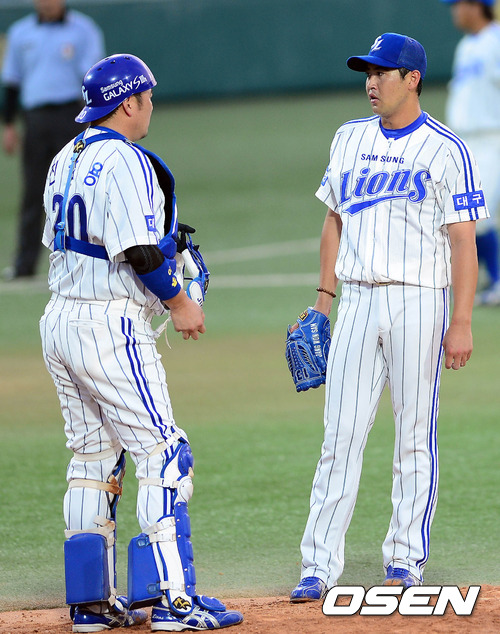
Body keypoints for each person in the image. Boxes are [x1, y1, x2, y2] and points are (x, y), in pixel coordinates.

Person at [39, 53, 243, 632]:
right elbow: (137, 251)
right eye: (148, 98)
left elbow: (84, 240)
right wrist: (180, 302)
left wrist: (165, 256)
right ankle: (176, 603)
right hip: (108, 327)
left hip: (60, 321)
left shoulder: (64, 156)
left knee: (93, 459)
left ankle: (90, 607)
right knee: (164, 454)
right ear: (128, 102)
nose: (151, 107)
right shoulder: (126, 159)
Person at [289, 32, 488, 602]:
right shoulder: (348, 137)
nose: (371, 83)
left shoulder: (446, 149)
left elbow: (463, 242)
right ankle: (318, 566)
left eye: (382, 72)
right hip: (356, 300)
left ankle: (404, 561)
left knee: (414, 437)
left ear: (412, 79)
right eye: (367, 73)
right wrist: (323, 300)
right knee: (339, 436)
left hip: (420, 301)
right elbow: (334, 221)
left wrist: (461, 321)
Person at [1, 0, 105, 281]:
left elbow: (93, 79)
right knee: (33, 190)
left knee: (81, 188)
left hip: (72, 116)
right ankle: (24, 264)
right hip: (34, 119)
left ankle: (89, 261)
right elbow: (12, 81)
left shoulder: (84, 29)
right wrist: (8, 124)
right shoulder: (20, 32)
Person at [441, 0, 500, 305]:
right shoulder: (465, 46)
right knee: (462, 213)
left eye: (458, 4)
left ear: (477, 6)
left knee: (478, 215)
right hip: (464, 143)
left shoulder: (496, 40)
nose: (454, 10)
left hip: (491, 140)